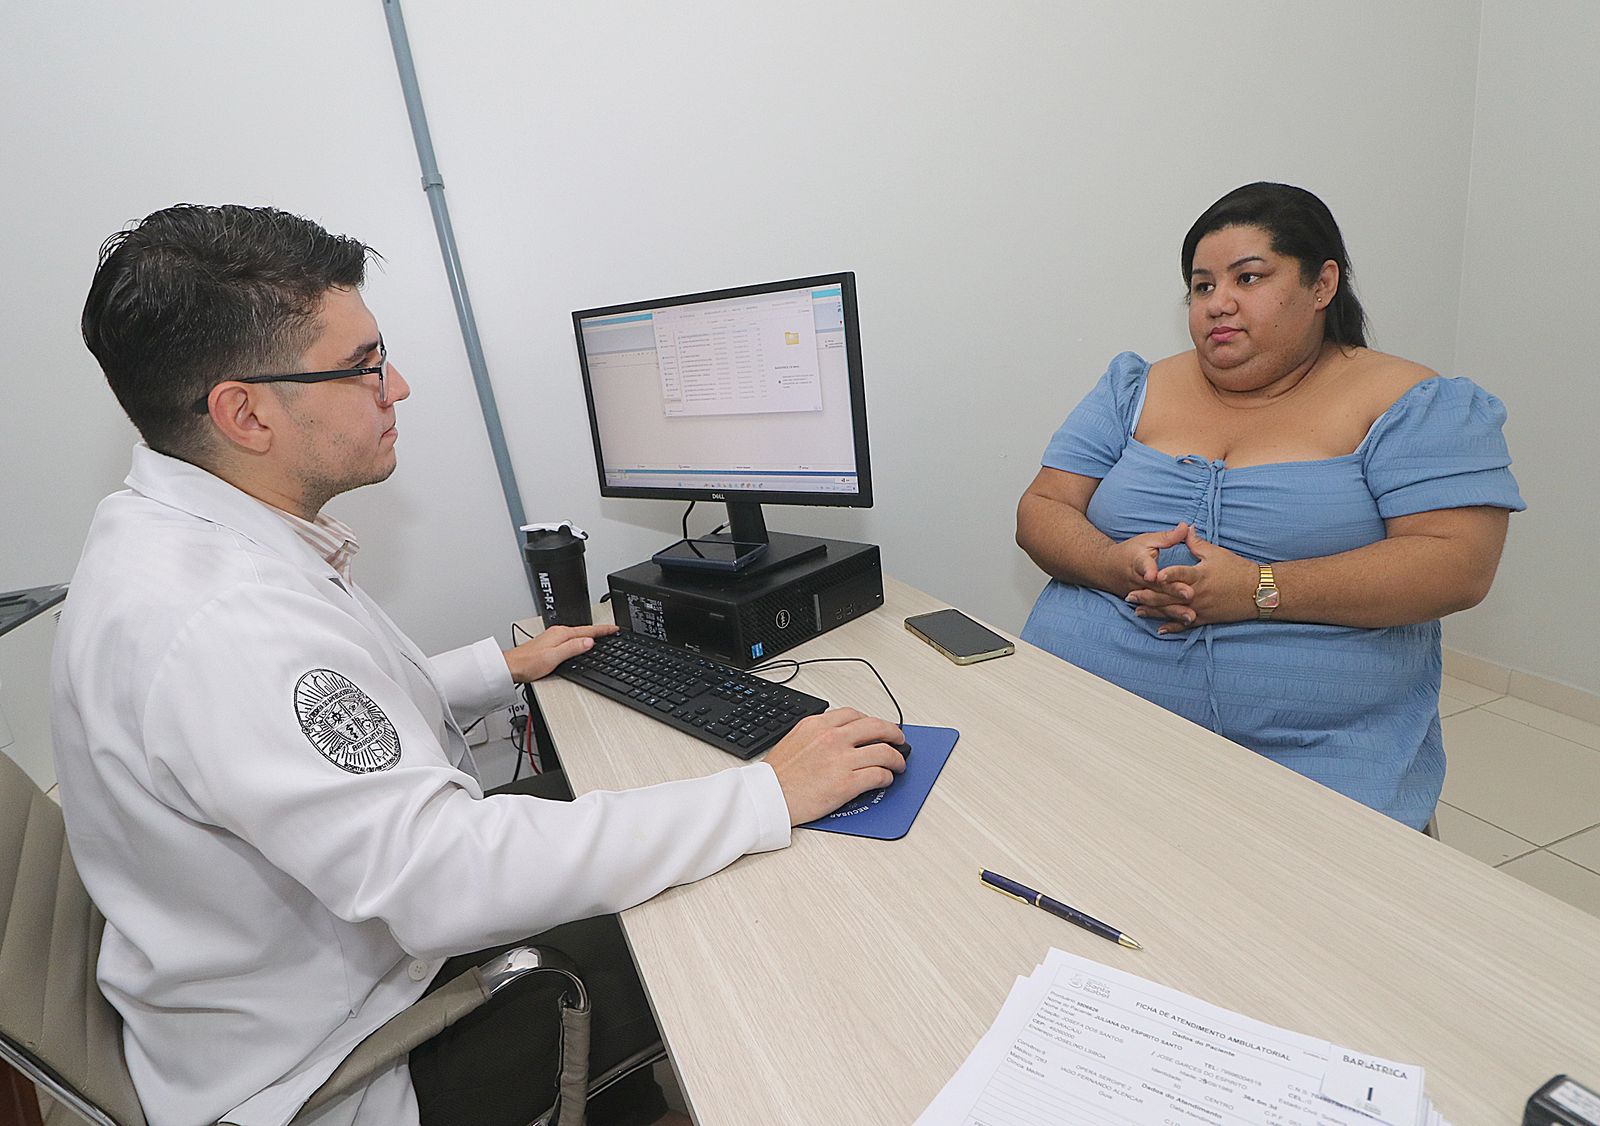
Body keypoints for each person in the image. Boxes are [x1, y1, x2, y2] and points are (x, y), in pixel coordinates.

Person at [53, 203, 907, 1126]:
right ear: (245, 411)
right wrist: (767, 793)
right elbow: (446, 883)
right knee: (733, 930)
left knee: (655, 838)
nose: (400, 387)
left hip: (330, 967)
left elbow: (343, 717)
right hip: (353, 1057)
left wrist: (502, 666)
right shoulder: (220, 622)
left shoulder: (180, 542)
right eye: (364, 366)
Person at [1015, 182, 1524, 831]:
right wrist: (1112, 563)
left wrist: (1259, 588)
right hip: (1081, 723)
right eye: (1201, 287)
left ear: (1321, 285)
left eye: (1248, 277)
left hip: (1310, 764)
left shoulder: (1414, 403)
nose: (1217, 303)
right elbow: (1044, 506)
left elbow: (1458, 564)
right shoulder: (1135, 387)